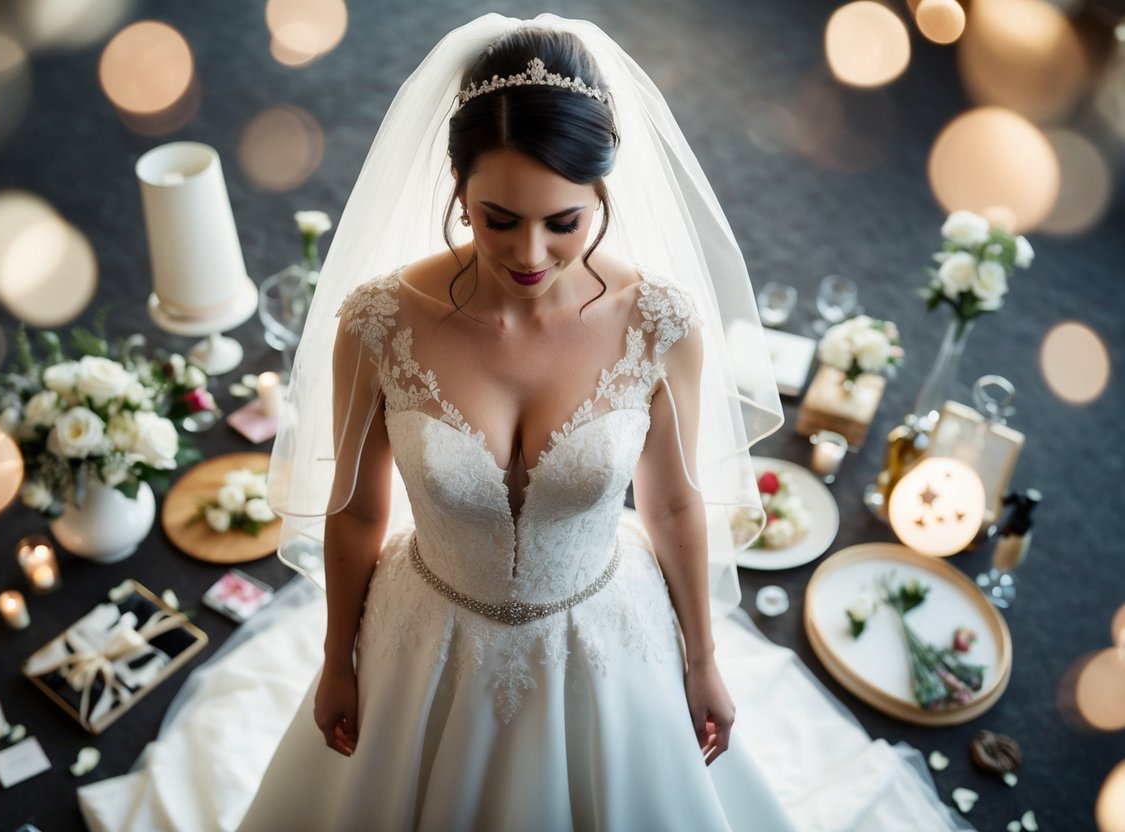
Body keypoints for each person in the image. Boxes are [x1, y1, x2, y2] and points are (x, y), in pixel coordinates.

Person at [239, 14, 793, 830]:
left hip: (605, 638)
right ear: (457, 188)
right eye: (498, 217)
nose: (530, 253)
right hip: (422, 639)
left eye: (562, 221)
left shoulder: (660, 325)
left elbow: (672, 504)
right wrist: (336, 660)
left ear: (601, 192)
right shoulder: (378, 323)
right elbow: (358, 508)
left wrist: (703, 660)